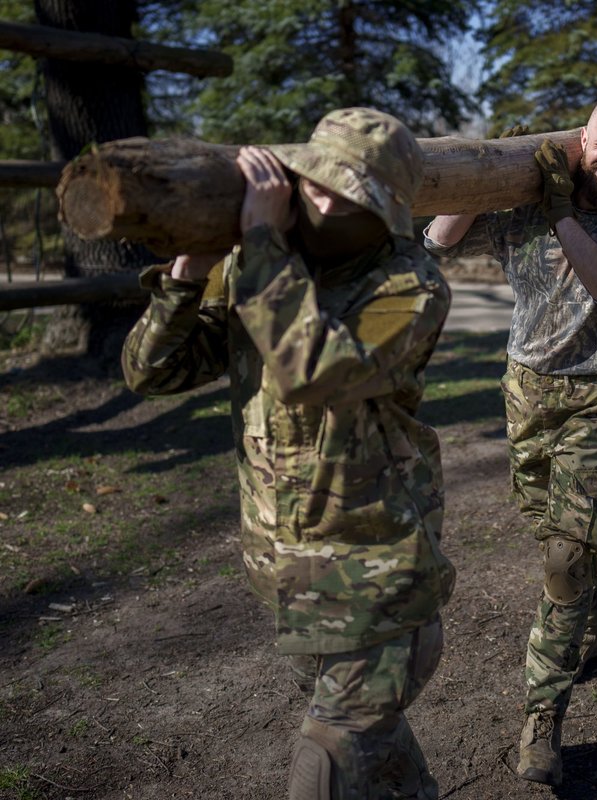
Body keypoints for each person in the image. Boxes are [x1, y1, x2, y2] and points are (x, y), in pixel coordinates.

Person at [121, 108, 456, 799]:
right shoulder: (264, 263)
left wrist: (261, 242)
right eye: (316, 183)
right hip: (289, 576)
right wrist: (187, 274)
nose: (326, 202)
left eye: (351, 192)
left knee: (326, 762)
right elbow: (151, 373)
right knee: (376, 750)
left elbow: (316, 371)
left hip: (379, 581)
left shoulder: (410, 285)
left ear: (387, 208)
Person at [424, 95, 597, 787]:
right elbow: (439, 242)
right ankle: (588, 632)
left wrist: (563, 212)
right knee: (553, 537)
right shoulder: (524, 207)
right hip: (524, 394)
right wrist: (487, 174)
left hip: (595, 398)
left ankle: (543, 716)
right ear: (580, 143)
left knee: (564, 556)